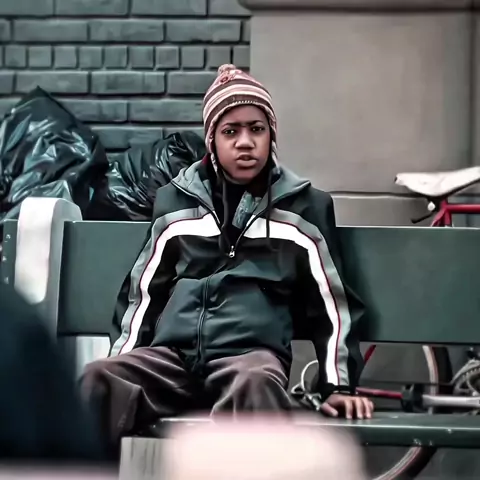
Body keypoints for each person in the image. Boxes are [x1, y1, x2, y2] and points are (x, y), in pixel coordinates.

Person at [80, 64, 374, 452]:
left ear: (271, 135)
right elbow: (143, 294)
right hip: (174, 360)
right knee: (98, 379)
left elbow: (332, 305)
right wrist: (126, 360)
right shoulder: (175, 202)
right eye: (230, 131)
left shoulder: (304, 208)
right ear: (212, 140)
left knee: (256, 384)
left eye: (256, 129)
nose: (245, 142)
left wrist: (338, 385)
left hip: (248, 359)